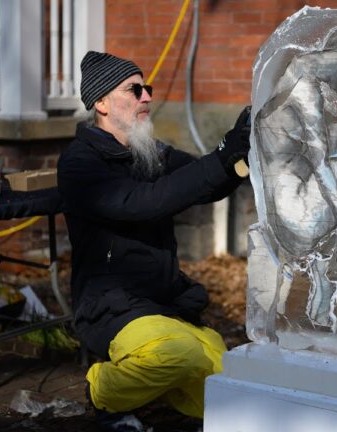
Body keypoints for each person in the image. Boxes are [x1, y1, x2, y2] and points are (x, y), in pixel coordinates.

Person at [57, 51, 250, 432]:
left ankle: (162, 390)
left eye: (147, 88)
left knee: (227, 376)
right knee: (176, 354)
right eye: (134, 89)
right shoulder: (80, 162)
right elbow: (141, 203)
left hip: (162, 301)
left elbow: (201, 181)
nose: (147, 96)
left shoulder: (148, 151)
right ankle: (103, 390)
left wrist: (238, 158)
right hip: (112, 307)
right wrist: (222, 157)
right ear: (101, 102)